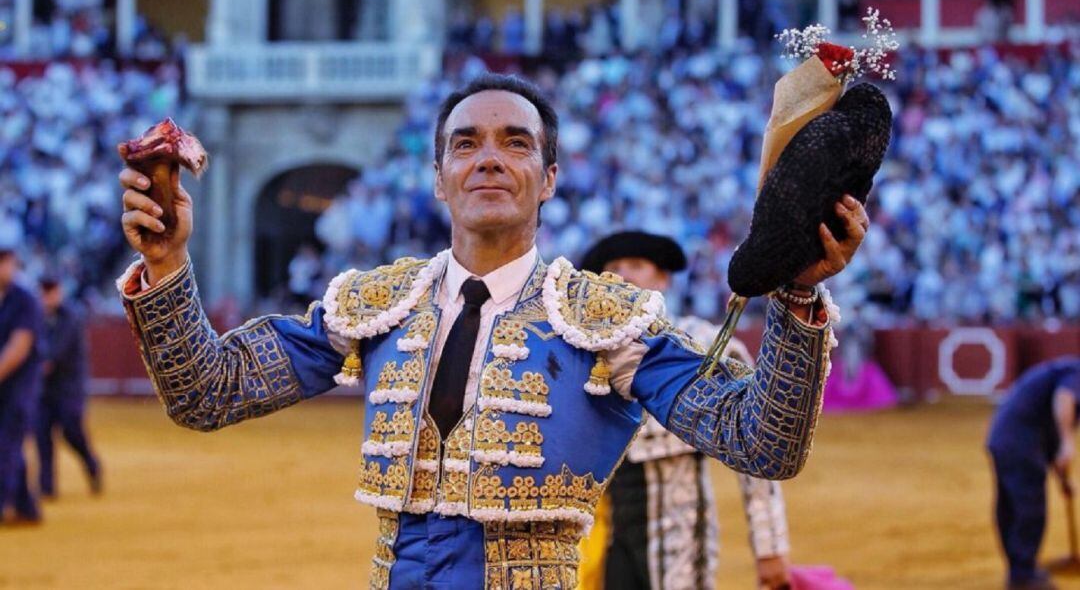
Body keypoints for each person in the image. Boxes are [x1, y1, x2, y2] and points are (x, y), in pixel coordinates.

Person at [116, 73, 868, 587]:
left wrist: (797, 297)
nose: (489, 160)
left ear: (548, 178)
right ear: (439, 176)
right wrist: (170, 260)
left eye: (516, 142)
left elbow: (760, 443)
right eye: (466, 143)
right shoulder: (378, 306)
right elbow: (206, 393)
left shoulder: (604, 320)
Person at [577, 231, 791, 590]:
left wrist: (770, 547)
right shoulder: (587, 352)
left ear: (663, 279)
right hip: (608, 528)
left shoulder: (703, 343)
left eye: (636, 265)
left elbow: (756, 448)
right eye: (613, 268)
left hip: (680, 528)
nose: (623, 275)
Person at [987, 357, 1080, 590]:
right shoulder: (1075, 373)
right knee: (1030, 507)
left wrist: (1063, 480)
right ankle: (1023, 572)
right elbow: (1064, 397)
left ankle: (1019, 566)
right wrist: (1068, 441)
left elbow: (1052, 442)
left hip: (1002, 438)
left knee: (1009, 506)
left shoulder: (1064, 371)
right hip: (1021, 441)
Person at [35, 275, 102, 497]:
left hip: (69, 388)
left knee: (71, 432)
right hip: (44, 389)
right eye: (44, 293)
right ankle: (47, 487)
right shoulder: (38, 317)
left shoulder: (71, 318)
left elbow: (53, 355)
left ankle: (91, 463)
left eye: (50, 292)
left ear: (59, 292)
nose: (46, 298)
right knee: (42, 434)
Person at [0, 246, 46, 525]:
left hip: (20, 385)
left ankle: (4, 504)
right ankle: (26, 507)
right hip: (5, 384)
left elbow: (19, 348)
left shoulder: (25, 300)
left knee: (7, 444)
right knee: (10, 445)